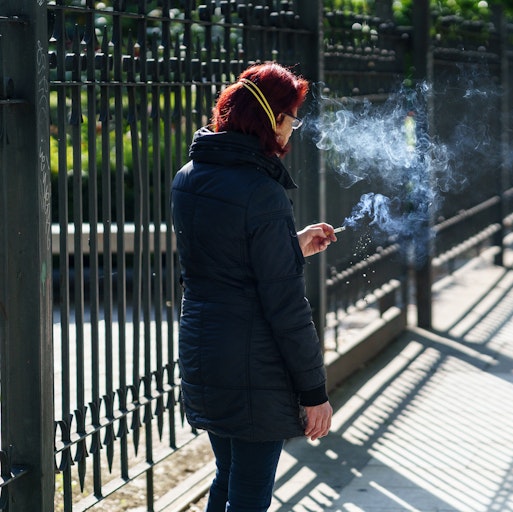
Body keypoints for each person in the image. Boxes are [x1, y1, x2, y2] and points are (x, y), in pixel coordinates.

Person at [170, 62, 335, 512]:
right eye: (292, 118)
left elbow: (226, 263)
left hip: (206, 350)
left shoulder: (188, 177)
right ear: (272, 119)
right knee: (250, 494)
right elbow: (284, 305)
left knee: (228, 478)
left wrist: (291, 246)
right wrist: (314, 392)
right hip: (254, 363)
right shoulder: (262, 192)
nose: (293, 129)